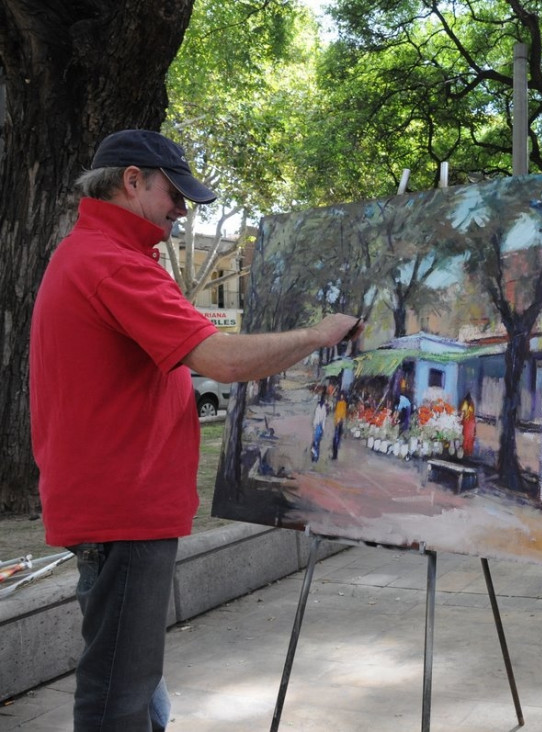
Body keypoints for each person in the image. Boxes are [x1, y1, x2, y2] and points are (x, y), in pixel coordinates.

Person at [29, 129, 363, 731]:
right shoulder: (113, 264)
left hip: (113, 503)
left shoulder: (85, 253)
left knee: (136, 681)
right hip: (123, 509)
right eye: (173, 193)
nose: (181, 210)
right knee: (117, 695)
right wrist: (317, 336)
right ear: (133, 181)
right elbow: (224, 362)